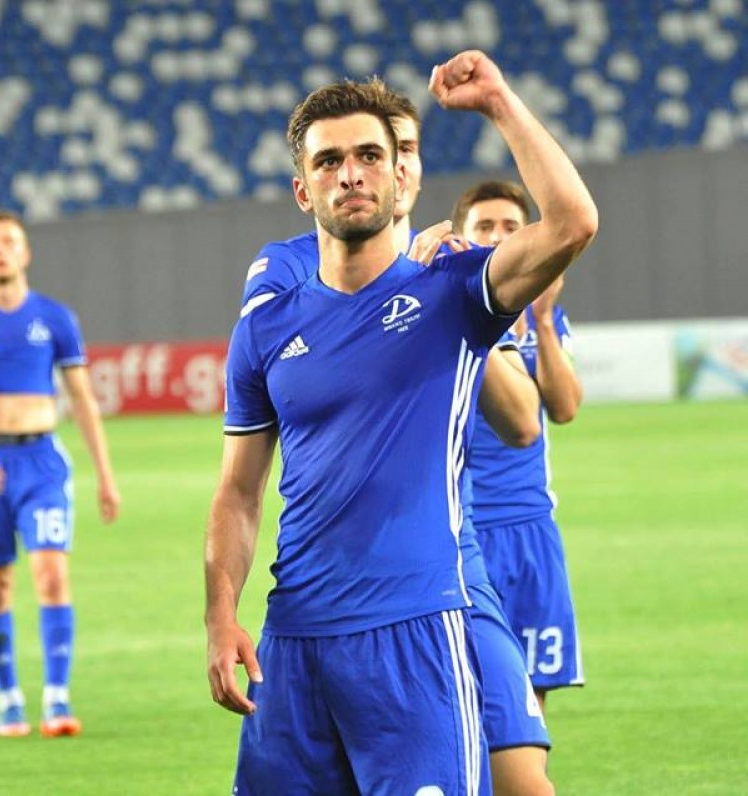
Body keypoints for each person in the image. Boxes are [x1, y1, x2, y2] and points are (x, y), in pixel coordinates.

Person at [206, 49, 597, 796]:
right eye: (328, 162)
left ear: (399, 175)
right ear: (302, 189)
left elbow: (574, 223)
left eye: (368, 156)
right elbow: (238, 493)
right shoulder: (264, 329)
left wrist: (499, 104)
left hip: (416, 630)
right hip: (293, 640)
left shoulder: (455, 293)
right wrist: (220, 617)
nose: (350, 174)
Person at [0, 210, 120, 738]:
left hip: (41, 461)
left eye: (8, 242)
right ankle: (9, 699)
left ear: (25, 252)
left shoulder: (55, 317)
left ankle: (57, 699)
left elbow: (82, 399)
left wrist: (105, 474)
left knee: (51, 574)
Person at [454, 179, 586, 716]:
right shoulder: (437, 314)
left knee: (530, 702)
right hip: (460, 529)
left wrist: (546, 320)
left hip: (529, 527)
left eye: (511, 226)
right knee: (460, 695)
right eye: (484, 226)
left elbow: (565, 408)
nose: (497, 236)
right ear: (461, 235)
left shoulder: (540, 317)